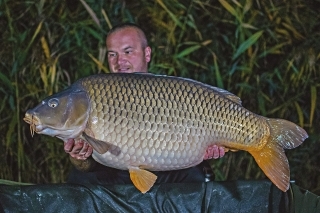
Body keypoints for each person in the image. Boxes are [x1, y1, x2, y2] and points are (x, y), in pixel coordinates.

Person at [65, 23, 226, 185]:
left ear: (147, 53)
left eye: (128, 51)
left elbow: (198, 139)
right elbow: (86, 166)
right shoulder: (97, 94)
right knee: (79, 179)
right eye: (112, 54)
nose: (119, 61)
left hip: (170, 168)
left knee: (197, 177)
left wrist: (209, 148)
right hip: (117, 172)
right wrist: (79, 158)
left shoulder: (174, 91)